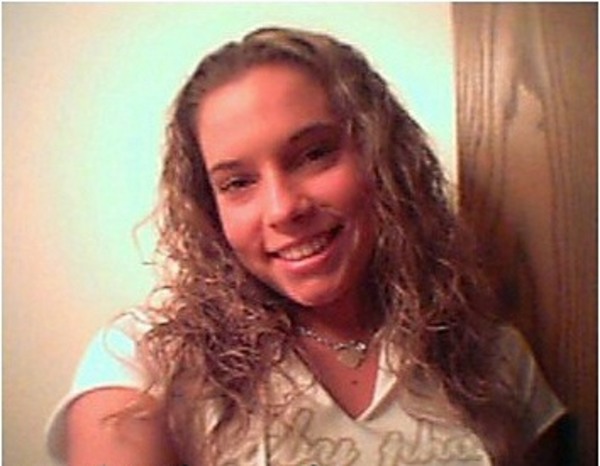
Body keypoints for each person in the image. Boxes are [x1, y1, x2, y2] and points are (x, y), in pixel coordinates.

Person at [46, 27, 566, 466]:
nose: (282, 209)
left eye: (314, 155)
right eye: (237, 183)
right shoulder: (146, 359)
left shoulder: (492, 357)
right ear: (209, 208)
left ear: (383, 157)